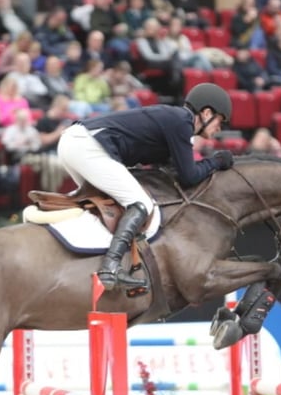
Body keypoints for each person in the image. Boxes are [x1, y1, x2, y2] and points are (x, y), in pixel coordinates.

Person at [57, 83, 234, 292]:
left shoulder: (175, 122)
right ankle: (110, 268)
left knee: (109, 206)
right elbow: (189, 176)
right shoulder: (182, 121)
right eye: (220, 121)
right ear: (206, 113)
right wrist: (217, 161)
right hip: (87, 146)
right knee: (140, 203)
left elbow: (172, 170)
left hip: (76, 143)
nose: (219, 129)